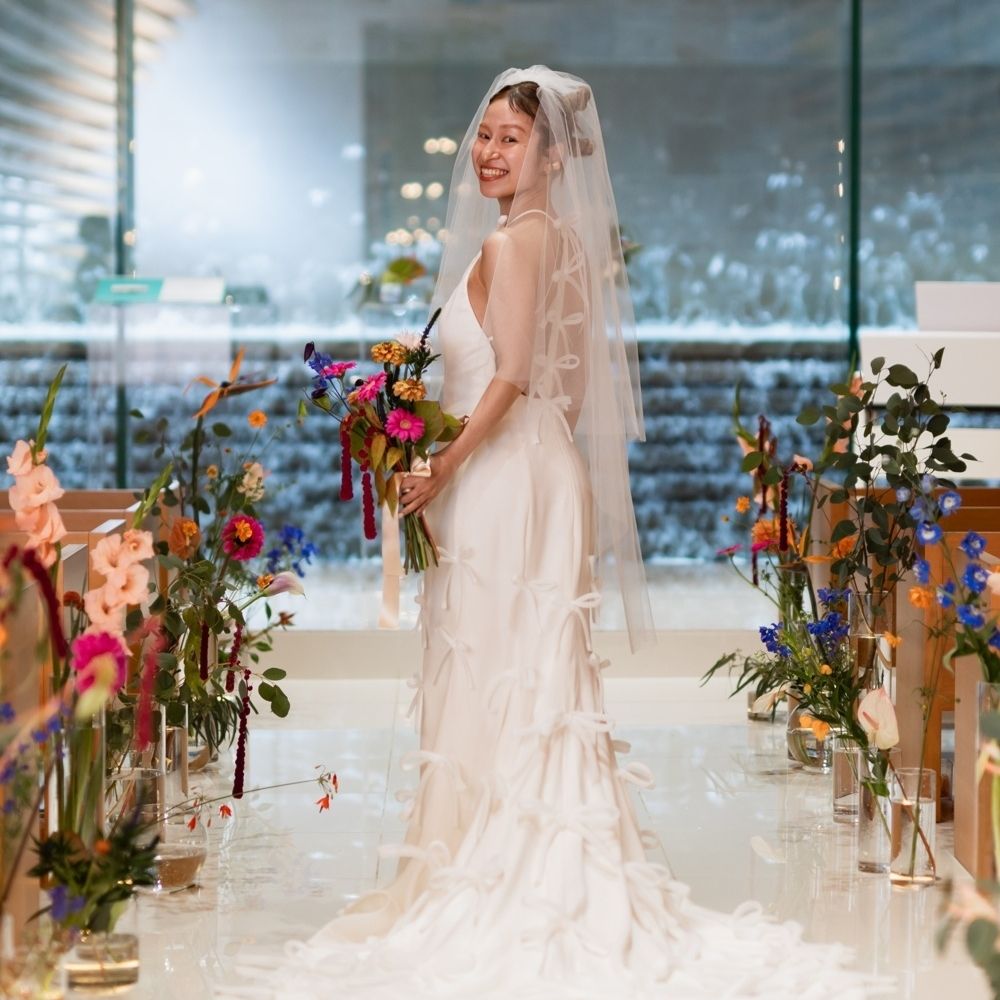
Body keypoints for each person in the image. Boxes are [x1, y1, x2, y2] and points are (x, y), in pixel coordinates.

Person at [231, 66, 871, 999]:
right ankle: (523, 854)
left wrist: (443, 466)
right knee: (532, 671)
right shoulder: (564, 240)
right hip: (538, 471)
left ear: (553, 153)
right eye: (486, 135)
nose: (490, 152)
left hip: (497, 479)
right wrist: (488, 454)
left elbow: (514, 374)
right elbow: (560, 393)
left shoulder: (511, 243)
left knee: (497, 666)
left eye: (511, 138)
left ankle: (490, 873)